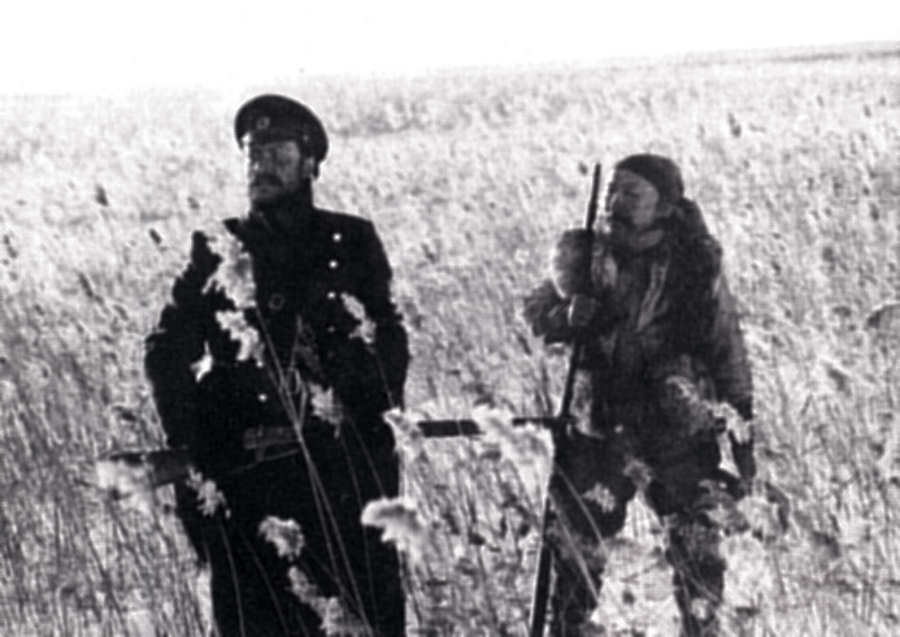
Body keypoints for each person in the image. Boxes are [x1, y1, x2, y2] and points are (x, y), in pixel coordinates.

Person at [144, 94, 409, 636]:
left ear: (310, 162)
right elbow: (166, 349)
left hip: (339, 479)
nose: (259, 165)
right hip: (251, 482)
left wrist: (353, 405)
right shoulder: (219, 248)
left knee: (359, 613)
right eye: (251, 153)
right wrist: (194, 443)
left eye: (276, 152)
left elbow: (389, 341)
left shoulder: (351, 240)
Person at [523, 154, 755, 636]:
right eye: (613, 191)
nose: (615, 202)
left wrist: (742, 428)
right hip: (598, 427)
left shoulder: (695, 265)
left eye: (632, 193)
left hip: (676, 429)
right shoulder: (586, 258)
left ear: (665, 206)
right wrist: (566, 317)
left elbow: (726, 345)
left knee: (697, 553)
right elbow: (536, 309)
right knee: (577, 551)